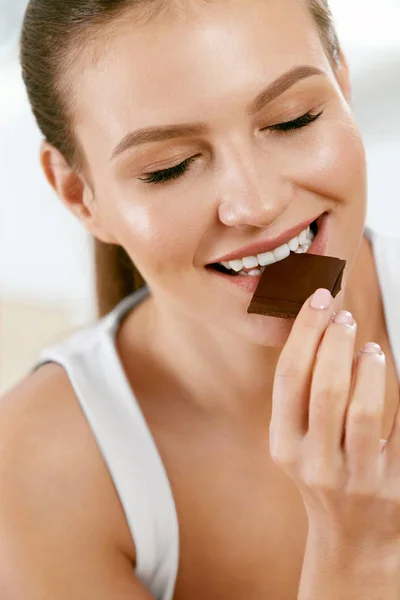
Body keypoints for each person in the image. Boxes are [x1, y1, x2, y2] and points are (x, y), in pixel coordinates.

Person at [1, 0, 400, 597]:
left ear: (342, 85)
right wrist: (355, 552)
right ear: (80, 194)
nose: (257, 203)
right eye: (170, 167)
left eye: (293, 119)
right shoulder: (37, 471)